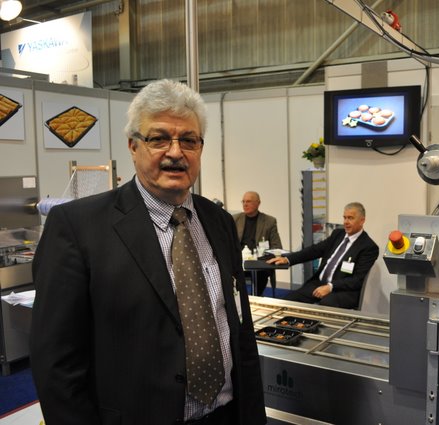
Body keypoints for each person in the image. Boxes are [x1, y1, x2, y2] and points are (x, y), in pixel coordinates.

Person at [30, 79, 266, 425]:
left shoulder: (219, 222)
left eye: (189, 140)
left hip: (226, 415)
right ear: (133, 146)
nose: (176, 152)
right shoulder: (78, 228)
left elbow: (240, 331)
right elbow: (56, 362)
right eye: (158, 139)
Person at [268, 202, 378, 309]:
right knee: (289, 301)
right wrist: (288, 259)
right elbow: (314, 250)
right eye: (344, 218)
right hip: (319, 283)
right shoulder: (337, 234)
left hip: (343, 291)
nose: (346, 222)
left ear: (362, 220)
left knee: (324, 306)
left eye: (350, 218)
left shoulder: (368, 247)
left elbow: (357, 280)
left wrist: (330, 287)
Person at [234, 191, 283, 295]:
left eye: (248, 201)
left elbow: (277, 246)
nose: (245, 204)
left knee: (261, 274)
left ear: (258, 203)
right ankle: (239, 297)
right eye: (243, 201)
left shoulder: (269, 221)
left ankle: (256, 295)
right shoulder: (235, 219)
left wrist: (265, 256)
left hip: (260, 262)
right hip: (239, 261)